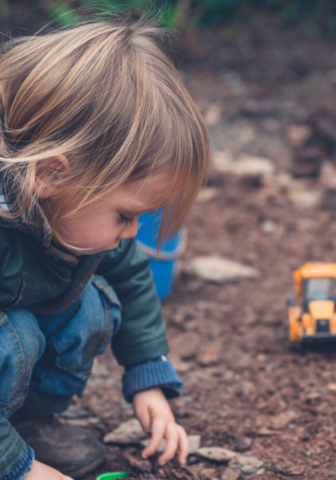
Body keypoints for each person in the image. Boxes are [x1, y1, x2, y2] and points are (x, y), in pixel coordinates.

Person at [0, 13, 209, 480]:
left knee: (92, 307)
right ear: (51, 174)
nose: (133, 232)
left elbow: (132, 278)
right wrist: (20, 471)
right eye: (126, 215)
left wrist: (147, 376)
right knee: (11, 339)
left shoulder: (72, 209)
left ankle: (24, 424)